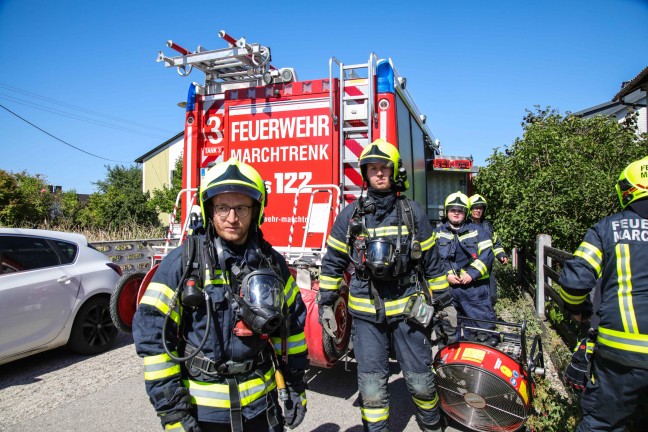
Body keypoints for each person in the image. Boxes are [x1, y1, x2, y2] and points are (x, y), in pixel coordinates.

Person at [133, 157, 308, 432]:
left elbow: (293, 329)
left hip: (263, 409)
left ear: (256, 211)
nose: (232, 218)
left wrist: (296, 387)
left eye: (241, 207)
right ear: (209, 210)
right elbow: (154, 343)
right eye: (223, 207)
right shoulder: (183, 263)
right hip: (203, 415)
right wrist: (173, 414)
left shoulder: (271, 264)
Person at [317, 139, 451, 432]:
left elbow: (432, 265)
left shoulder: (412, 213)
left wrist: (445, 304)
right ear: (365, 174)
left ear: (395, 173)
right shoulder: (350, 216)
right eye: (372, 169)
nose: (378, 174)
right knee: (372, 388)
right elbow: (332, 263)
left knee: (420, 383)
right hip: (367, 317)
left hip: (408, 311)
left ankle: (432, 426)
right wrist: (326, 301)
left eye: (384, 169)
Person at [558, 156, 648, 432]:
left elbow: (574, 282)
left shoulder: (608, 228)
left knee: (602, 424)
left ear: (627, 189)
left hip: (621, 354)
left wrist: (579, 311)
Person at [435, 192, 495, 339]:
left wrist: (472, 274)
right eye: (452, 210)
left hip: (475, 290)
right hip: (448, 291)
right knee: (447, 332)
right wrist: (446, 275)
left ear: (466, 213)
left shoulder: (478, 232)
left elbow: (487, 255)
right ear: (446, 211)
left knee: (483, 333)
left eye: (460, 210)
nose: (456, 213)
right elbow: (432, 259)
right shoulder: (437, 233)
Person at [468, 194, 509, 305]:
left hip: (487, 269)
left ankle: (488, 317)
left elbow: (496, 244)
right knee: (473, 298)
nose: (478, 211)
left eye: (480, 208)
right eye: (475, 208)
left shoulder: (488, 227)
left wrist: (501, 255)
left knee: (492, 297)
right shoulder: (464, 227)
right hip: (470, 269)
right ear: (469, 209)